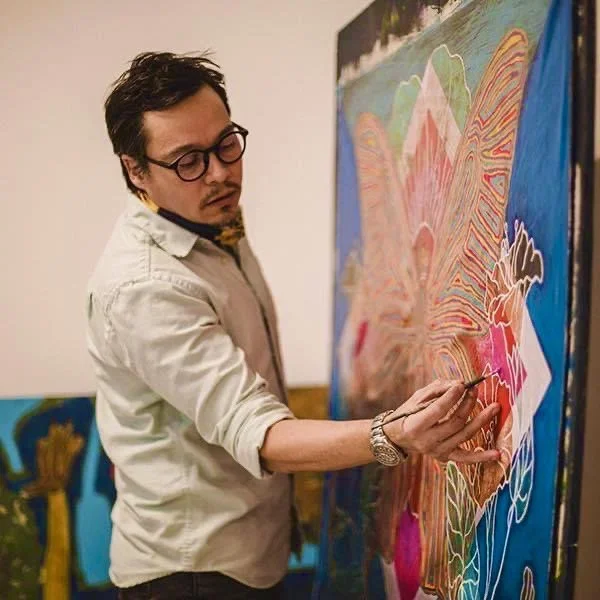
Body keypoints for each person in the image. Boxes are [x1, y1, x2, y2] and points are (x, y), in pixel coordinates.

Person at [86, 51, 501, 600]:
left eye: (226, 144)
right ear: (135, 170)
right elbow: (257, 432)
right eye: (188, 161)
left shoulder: (206, 221)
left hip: (248, 555)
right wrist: (395, 436)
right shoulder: (145, 286)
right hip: (191, 576)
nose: (219, 173)